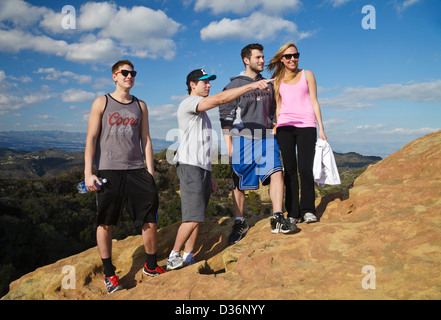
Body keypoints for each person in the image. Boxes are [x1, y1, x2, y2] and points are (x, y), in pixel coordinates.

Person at [167, 68, 275, 270]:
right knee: (191, 217)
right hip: (190, 167)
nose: (208, 85)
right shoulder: (189, 103)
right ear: (192, 84)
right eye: (204, 82)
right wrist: (251, 85)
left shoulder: (203, 116)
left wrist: (211, 175)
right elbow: (220, 100)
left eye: (209, 82)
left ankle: (188, 256)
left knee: (198, 218)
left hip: (201, 169)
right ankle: (173, 256)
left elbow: (203, 147)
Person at [84, 59, 164, 294]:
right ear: (115, 76)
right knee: (106, 222)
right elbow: (90, 138)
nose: (130, 76)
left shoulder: (141, 105)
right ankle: (110, 275)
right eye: (125, 73)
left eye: (133, 73)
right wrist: (88, 172)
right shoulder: (102, 102)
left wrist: (150, 171)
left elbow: (146, 139)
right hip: (109, 170)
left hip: (137, 169)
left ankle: (150, 266)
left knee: (149, 218)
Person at [219, 43, 299, 244]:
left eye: (263, 57)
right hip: (242, 137)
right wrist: (228, 144)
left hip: (266, 137)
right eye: (258, 58)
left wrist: (274, 128)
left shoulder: (269, 83)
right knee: (239, 182)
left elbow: (273, 110)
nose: (262, 61)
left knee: (276, 172)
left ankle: (278, 217)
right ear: (246, 60)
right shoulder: (233, 85)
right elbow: (225, 115)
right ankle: (240, 222)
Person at [267, 42, 327, 224]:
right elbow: (277, 106)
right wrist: (276, 125)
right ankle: (293, 212)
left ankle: (308, 210)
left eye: (295, 55)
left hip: (307, 126)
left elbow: (315, 101)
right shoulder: (277, 80)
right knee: (290, 170)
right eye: (288, 56)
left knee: (305, 169)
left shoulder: (307, 74)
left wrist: (321, 128)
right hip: (285, 127)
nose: (293, 59)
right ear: (282, 59)